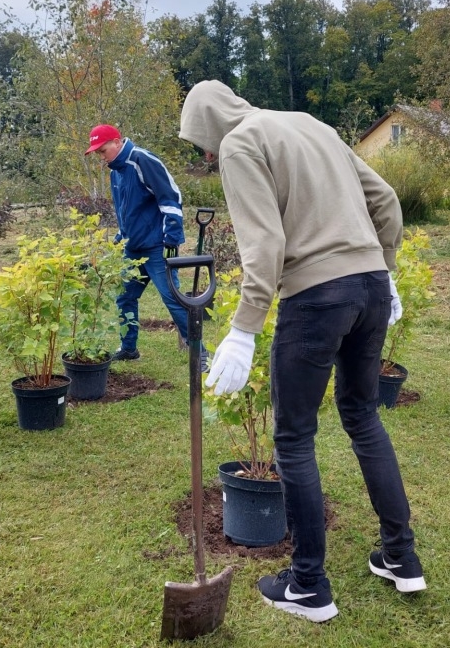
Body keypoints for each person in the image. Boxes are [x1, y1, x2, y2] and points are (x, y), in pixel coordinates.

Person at [179, 80, 425, 623]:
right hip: (369, 287)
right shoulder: (310, 124)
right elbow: (385, 201)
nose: (207, 155)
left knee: (293, 438)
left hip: (317, 298)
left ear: (209, 126)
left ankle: (308, 585)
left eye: (201, 144)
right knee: (363, 416)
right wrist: (384, 270)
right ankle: (401, 558)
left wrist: (243, 329)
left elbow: (265, 244)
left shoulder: (239, 144)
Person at [85, 124, 205, 367]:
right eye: (97, 153)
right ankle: (129, 348)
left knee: (173, 299)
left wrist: (171, 238)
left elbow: (171, 197)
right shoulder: (116, 171)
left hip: (157, 247)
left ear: (117, 142)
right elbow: (126, 210)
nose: (101, 157)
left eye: (103, 150)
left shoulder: (142, 160)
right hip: (133, 249)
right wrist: (121, 236)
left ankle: (200, 353)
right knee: (125, 297)